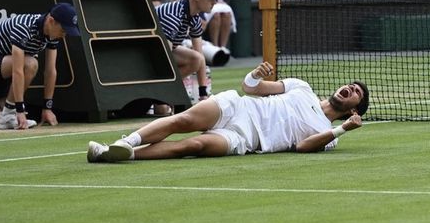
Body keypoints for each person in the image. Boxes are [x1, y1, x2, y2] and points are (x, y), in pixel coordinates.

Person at [86, 61, 369, 162]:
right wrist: (256, 75)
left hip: (247, 139)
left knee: (193, 145)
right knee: (184, 119)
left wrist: (343, 129)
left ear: (353, 109)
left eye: (355, 91)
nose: (348, 87)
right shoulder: (301, 87)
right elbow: (251, 88)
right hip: (239, 107)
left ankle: (117, 154)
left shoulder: (330, 135)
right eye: (350, 84)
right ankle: (127, 141)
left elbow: (302, 147)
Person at [0, 3, 80, 130]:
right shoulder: (23, 27)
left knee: (2, 113)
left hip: (2, 70)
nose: (64, 35)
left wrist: (47, 108)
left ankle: (7, 114)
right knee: (30, 64)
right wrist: (19, 110)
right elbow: (18, 70)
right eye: (63, 30)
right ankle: (9, 113)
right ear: (51, 21)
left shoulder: (52, 35)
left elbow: (50, 71)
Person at [155, 0, 224, 106]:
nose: (214, 2)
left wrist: (203, 95)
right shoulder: (173, 16)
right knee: (162, 109)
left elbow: (200, 57)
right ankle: (160, 91)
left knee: (196, 59)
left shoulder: (194, 17)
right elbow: (163, 57)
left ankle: (162, 91)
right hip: (149, 54)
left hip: (161, 51)